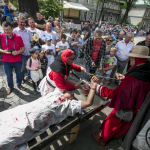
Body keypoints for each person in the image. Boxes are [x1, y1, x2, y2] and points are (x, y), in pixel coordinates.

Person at [0, 80, 97, 150]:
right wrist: (79, 85)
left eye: (73, 95)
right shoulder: (56, 92)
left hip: (31, 122)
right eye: (70, 91)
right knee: (5, 117)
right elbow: (64, 81)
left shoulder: (69, 105)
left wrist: (92, 88)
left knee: (6, 139)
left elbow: (88, 102)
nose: (73, 93)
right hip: (23, 111)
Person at [92, 46, 150, 146]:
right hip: (138, 107)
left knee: (112, 122)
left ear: (136, 58)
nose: (129, 59)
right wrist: (124, 77)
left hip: (126, 106)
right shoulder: (145, 70)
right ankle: (107, 138)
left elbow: (116, 94)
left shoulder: (132, 77)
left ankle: (102, 138)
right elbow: (136, 87)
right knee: (124, 125)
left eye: (131, 57)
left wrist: (98, 87)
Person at [0, 21, 25, 95]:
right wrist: (4, 51)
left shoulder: (18, 37)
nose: (6, 31)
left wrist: (17, 52)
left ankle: (19, 84)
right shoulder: (1, 36)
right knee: (8, 75)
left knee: (19, 74)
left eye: (8, 29)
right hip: (6, 60)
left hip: (17, 60)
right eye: (4, 29)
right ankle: (10, 86)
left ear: (12, 29)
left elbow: (23, 48)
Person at [13, 15, 33, 84]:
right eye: (21, 22)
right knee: (21, 67)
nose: (22, 23)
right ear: (17, 22)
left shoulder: (28, 31)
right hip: (21, 53)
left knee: (30, 65)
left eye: (23, 22)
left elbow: (31, 41)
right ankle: (22, 78)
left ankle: (29, 76)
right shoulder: (15, 31)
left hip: (29, 52)